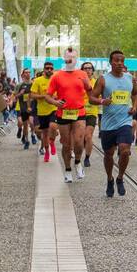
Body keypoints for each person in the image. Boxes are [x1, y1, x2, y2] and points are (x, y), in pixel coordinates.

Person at [88, 51, 137, 197]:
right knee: (108, 154)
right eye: (116, 61)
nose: (119, 63)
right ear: (111, 62)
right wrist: (103, 101)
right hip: (109, 123)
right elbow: (91, 98)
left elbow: (135, 94)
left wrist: (134, 106)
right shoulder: (104, 79)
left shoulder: (130, 78)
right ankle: (109, 178)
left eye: (121, 61)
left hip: (125, 121)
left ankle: (120, 177)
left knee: (124, 150)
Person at [47, 49, 93, 182]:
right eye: (68, 57)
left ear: (76, 58)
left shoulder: (82, 74)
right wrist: (56, 102)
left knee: (79, 142)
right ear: (64, 58)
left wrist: (93, 96)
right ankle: (67, 169)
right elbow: (47, 96)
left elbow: (89, 91)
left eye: (73, 57)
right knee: (66, 144)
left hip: (79, 112)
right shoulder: (57, 76)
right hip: (63, 113)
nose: (70, 59)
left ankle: (78, 162)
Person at [30, 60, 58, 162]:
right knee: (44, 133)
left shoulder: (56, 80)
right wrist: (44, 96)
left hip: (54, 108)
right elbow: (32, 95)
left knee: (53, 126)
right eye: (47, 68)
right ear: (44, 69)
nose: (49, 70)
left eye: (51, 68)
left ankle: (52, 142)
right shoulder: (37, 81)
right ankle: (46, 151)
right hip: (41, 111)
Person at [80, 60, 100, 168]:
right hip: (79, 112)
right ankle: (78, 152)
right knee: (79, 137)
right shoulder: (78, 81)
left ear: (92, 71)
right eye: (85, 68)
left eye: (89, 68)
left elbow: (100, 97)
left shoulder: (97, 82)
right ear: (82, 70)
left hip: (92, 112)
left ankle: (87, 158)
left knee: (88, 136)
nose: (88, 70)